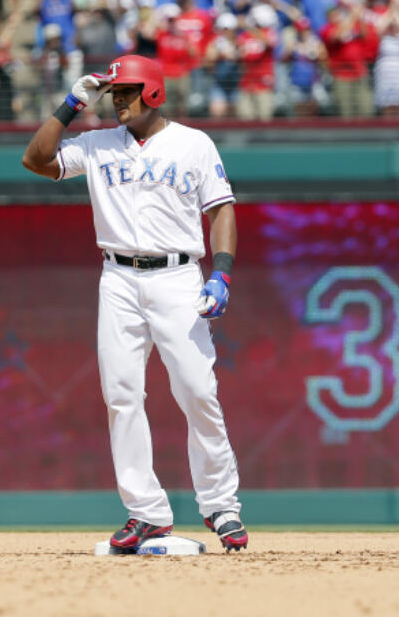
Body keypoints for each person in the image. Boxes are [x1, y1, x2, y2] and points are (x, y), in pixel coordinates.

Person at [20, 55, 249, 553]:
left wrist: (222, 274)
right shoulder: (98, 143)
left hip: (178, 276)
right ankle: (146, 511)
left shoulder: (193, 143)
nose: (117, 100)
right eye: (113, 93)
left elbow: (222, 210)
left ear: (153, 93)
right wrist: (70, 104)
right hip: (118, 277)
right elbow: (36, 160)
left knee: (197, 391)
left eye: (125, 91)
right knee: (121, 395)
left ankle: (221, 505)